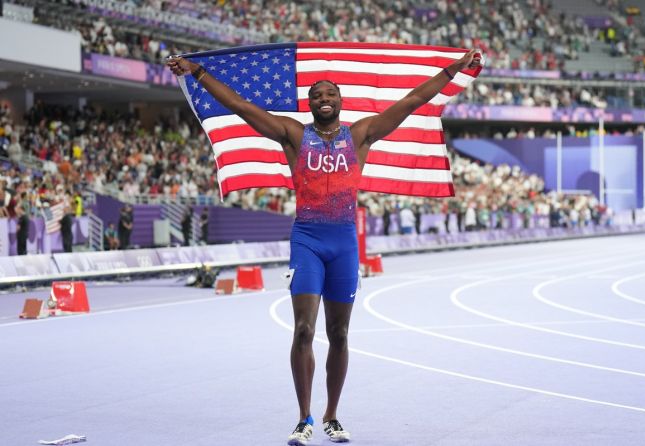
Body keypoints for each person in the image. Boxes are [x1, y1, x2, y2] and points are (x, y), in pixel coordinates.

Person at [167, 49, 481, 446]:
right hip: (308, 240)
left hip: (344, 242)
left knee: (341, 333)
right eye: (317, 94)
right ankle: (304, 418)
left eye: (330, 92)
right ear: (310, 104)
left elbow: (413, 101)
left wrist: (452, 70)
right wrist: (197, 72)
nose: (324, 98)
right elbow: (238, 105)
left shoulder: (362, 133)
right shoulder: (293, 134)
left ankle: (332, 415)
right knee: (303, 330)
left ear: (341, 101)